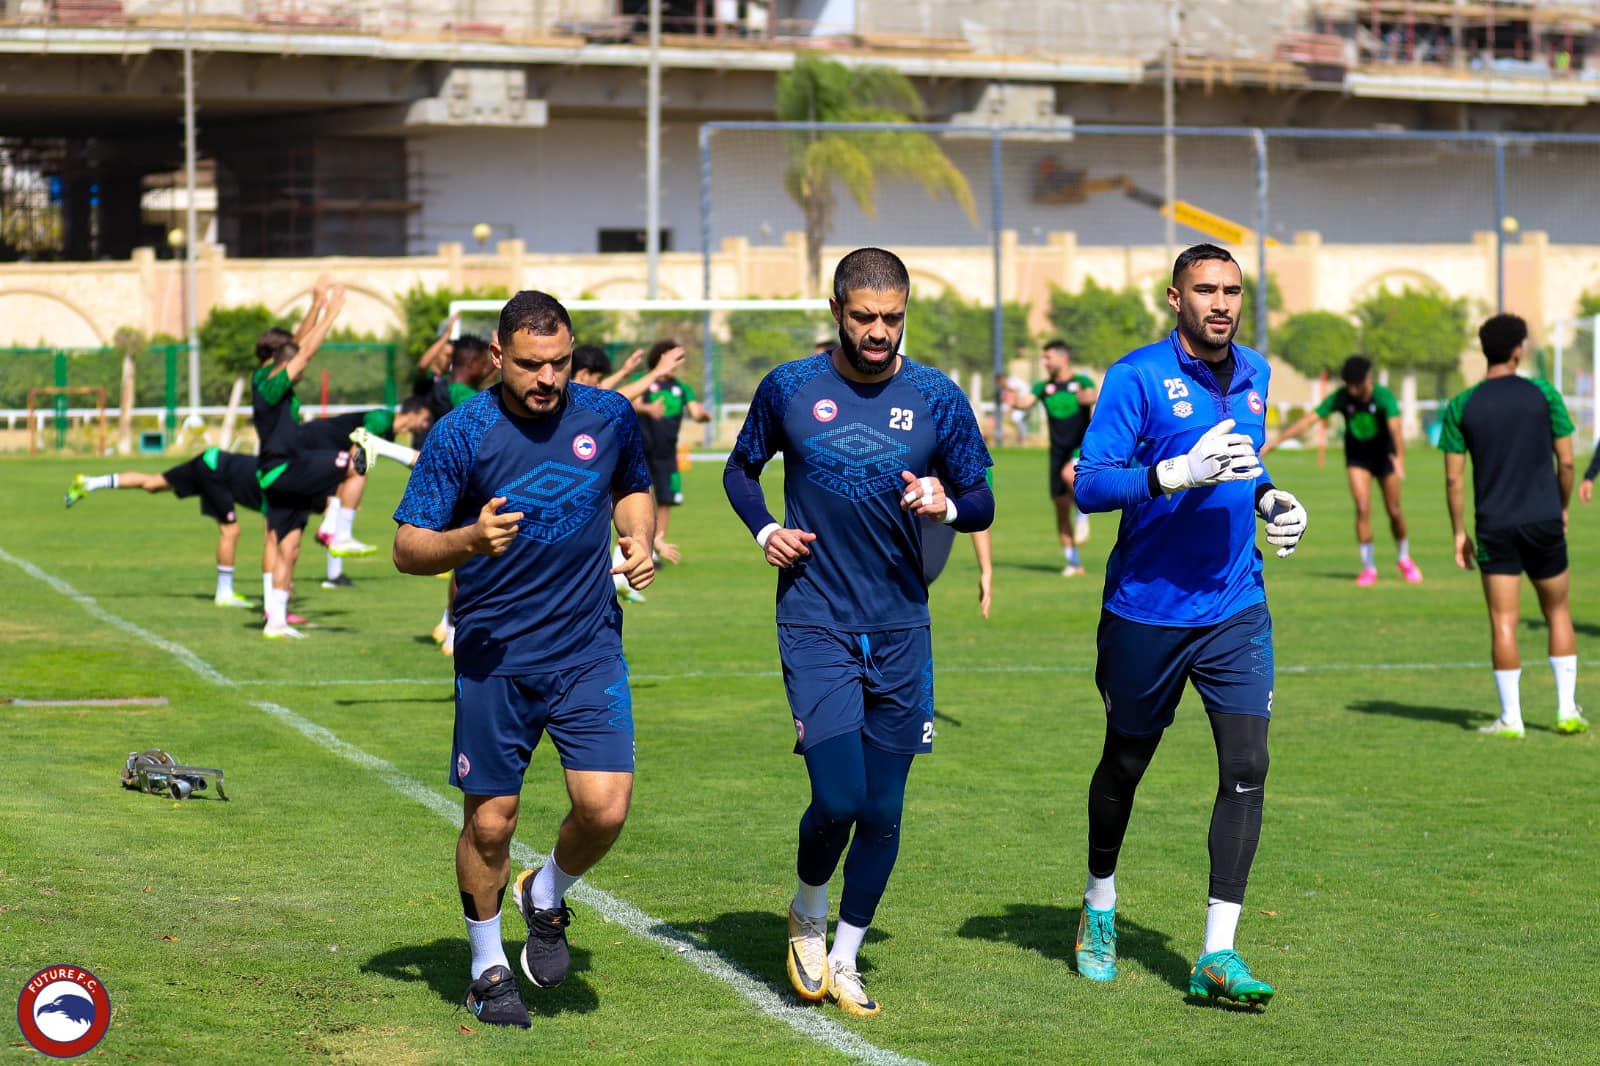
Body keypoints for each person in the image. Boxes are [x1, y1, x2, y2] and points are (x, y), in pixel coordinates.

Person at [723, 247, 995, 1017]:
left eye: (893, 317)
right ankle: (808, 911)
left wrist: (945, 503)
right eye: (865, 316)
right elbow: (740, 470)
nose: (880, 331)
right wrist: (765, 529)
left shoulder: (936, 396)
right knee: (839, 796)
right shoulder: (790, 387)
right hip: (815, 618)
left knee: (883, 810)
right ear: (837, 311)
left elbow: (980, 498)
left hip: (903, 624)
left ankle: (845, 956)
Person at [392, 289, 656, 1029]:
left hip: (587, 648)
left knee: (605, 809)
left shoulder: (607, 416)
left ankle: (544, 894)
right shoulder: (460, 432)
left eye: (560, 362)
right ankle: (487, 968)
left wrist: (638, 536)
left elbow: (633, 486)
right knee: (491, 825)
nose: (548, 378)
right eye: (531, 364)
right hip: (495, 656)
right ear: (498, 356)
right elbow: (407, 547)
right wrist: (468, 540)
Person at [1073, 243, 1309, 1008]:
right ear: (1175, 298)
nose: (1221, 303)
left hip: (1236, 605)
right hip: (1146, 610)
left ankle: (1217, 952)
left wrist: (1271, 499)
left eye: (1232, 291)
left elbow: (1245, 460)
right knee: (1125, 764)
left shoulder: (1256, 372)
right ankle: (1100, 901)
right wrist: (1174, 473)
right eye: (1205, 290)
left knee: (1248, 765)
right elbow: (1090, 486)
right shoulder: (1136, 376)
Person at [1439, 314, 1587, 737]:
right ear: (1518, 350)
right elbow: (1568, 462)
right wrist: (1561, 507)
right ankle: (1566, 711)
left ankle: (1511, 719)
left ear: (1485, 351)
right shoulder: (1544, 393)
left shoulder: (1461, 404)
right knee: (1558, 611)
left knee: (1503, 621)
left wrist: (1459, 532)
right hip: (1543, 519)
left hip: (1494, 525)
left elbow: (1453, 479)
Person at [250, 280, 362, 638]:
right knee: (353, 463)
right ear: (278, 358)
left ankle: (276, 620)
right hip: (281, 469)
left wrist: (315, 304)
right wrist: (332, 312)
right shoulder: (268, 384)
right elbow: (304, 351)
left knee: (289, 546)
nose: (300, 365)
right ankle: (336, 530)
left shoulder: (269, 378)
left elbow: (297, 346)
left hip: (284, 470)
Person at [1263, 355, 1421, 586]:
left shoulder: (1383, 396)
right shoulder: (1342, 397)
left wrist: (1400, 460)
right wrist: (1274, 443)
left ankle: (1404, 558)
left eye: (1356, 385)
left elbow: (1395, 430)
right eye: (1348, 385)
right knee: (1362, 508)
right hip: (1358, 458)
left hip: (1384, 457)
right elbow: (1309, 420)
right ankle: (1369, 568)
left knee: (1394, 510)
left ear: (1367, 380)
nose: (1352, 390)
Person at [64, 447, 267, 608]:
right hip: (215, 472)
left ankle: (90, 483)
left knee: (152, 484)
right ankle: (224, 593)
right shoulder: (277, 490)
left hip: (210, 458)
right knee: (231, 530)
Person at [299, 398, 436, 589]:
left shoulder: (389, 433)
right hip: (310, 442)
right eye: (425, 419)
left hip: (320, 449)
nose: (426, 425)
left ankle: (334, 572)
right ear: (412, 413)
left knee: (345, 496)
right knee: (357, 472)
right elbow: (360, 444)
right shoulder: (382, 418)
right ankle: (335, 531)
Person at [1007, 339, 1096, 575]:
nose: (1045, 362)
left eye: (1048, 357)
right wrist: (1014, 402)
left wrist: (1088, 397)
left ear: (1063, 357)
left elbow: (1091, 395)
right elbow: (1025, 403)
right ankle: (1073, 562)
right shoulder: (1043, 387)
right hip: (1056, 451)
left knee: (1069, 474)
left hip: (1079, 448)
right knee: (1060, 507)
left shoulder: (1081, 381)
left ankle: (1083, 514)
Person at [633, 339, 711, 563]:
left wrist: (703, 416)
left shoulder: (682, 388)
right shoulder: (643, 380)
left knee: (665, 500)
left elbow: (695, 412)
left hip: (667, 454)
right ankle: (641, 547)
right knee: (642, 499)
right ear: (661, 358)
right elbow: (631, 402)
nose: (677, 364)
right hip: (642, 452)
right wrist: (648, 408)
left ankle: (657, 547)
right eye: (674, 359)